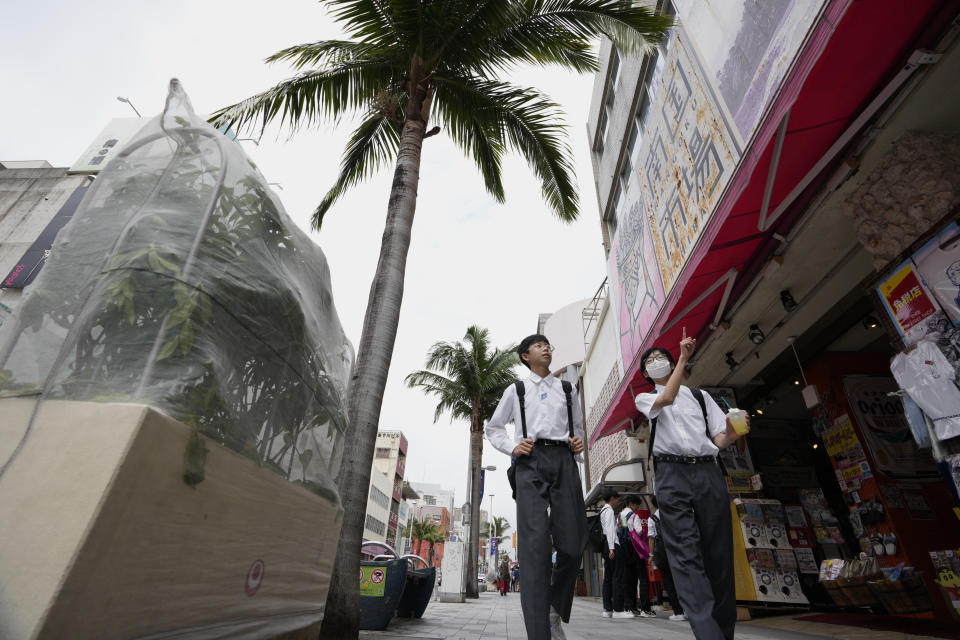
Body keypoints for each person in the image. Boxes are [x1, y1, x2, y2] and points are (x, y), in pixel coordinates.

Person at [633, 333, 747, 640]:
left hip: (707, 472)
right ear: (646, 374)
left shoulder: (700, 397)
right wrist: (683, 359)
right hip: (671, 475)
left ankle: (724, 632)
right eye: (650, 361)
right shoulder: (645, 398)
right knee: (685, 554)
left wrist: (733, 431)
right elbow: (666, 399)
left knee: (718, 555)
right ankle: (707, 633)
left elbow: (718, 440)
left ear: (670, 364)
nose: (655, 362)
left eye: (661, 358)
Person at [485, 334, 587, 640]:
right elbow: (493, 428)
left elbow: (579, 429)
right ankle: (540, 633)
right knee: (534, 549)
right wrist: (513, 447)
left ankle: (554, 605)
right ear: (525, 355)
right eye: (539, 345)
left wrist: (578, 442)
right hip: (530, 462)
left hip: (564, 460)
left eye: (548, 345)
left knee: (573, 544)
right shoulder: (517, 390)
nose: (546, 348)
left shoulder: (567, 389)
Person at [648, 496, 686, 622]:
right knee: (682, 580)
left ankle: (678, 612)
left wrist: (651, 555)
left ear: (653, 505)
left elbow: (651, 538)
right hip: (677, 550)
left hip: (662, 554)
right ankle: (689, 610)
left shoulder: (652, 519)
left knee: (669, 583)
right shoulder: (672, 514)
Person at [619, 494, 656, 618]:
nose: (637, 508)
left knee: (631, 579)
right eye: (636, 505)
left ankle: (631, 607)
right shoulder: (634, 516)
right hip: (636, 550)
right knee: (643, 579)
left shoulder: (621, 515)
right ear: (631, 504)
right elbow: (638, 531)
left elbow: (623, 531)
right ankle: (645, 608)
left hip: (625, 550)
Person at [599, 488, 630, 619]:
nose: (618, 501)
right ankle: (618, 609)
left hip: (606, 544)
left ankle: (608, 609)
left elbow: (609, 529)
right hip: (612, 545)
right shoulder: (610, 511)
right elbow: (610, 531)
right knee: (617, 576)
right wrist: (612, 548)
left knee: (608, 577)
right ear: (612, 498)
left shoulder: (603, 510)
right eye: (617, 499)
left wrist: (617, 527)